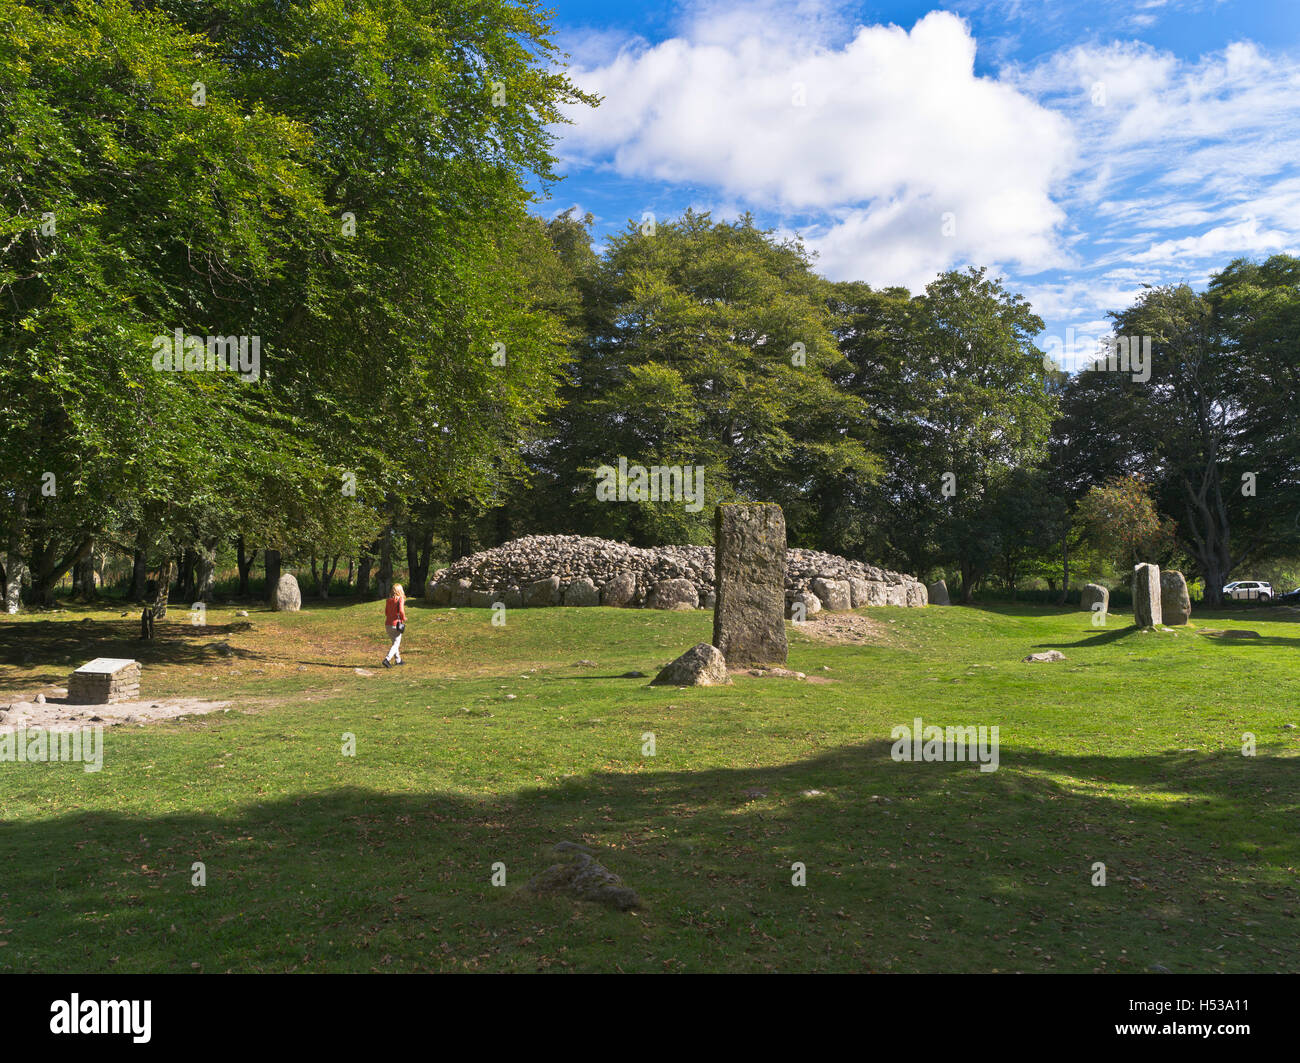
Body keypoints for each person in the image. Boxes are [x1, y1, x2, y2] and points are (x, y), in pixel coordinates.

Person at [382, 583, 406, 667]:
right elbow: (401, 611)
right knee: (396, 644)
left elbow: (386, 612)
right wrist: (403, 618)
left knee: (394, 643)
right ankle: (387, 659)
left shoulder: (388, 600)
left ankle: (398, 660)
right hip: (396, 624)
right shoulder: (400, 599)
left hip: (387, 624)